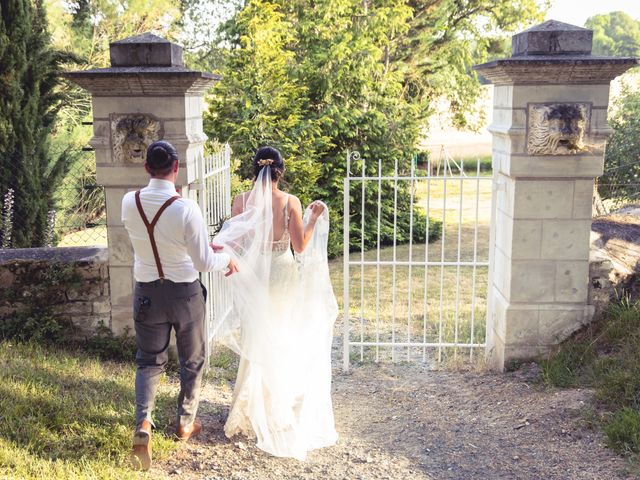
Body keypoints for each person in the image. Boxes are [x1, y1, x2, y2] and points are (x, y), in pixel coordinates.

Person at [213, 146, 338, 461]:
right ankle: (276, 409)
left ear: (255, 170)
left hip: (254, 273)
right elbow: (300, 245)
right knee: (280, 334)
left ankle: (247, 408)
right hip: (281, 272)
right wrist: (313, 218)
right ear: (280, 171)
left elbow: (238, 241)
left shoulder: (240, 201)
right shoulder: (290, 202)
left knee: (255, 334)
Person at [121, 140, 238, 471]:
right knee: (192, 360)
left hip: (146, 291)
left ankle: (143, 424)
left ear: (147, 168)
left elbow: (157, 240)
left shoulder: (129, 202)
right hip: (184, 293)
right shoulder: (186, 208)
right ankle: (185, 422)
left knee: (148, 361)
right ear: (176, 168)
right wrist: (226, 258)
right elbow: (202, 261)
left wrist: (203, 247)